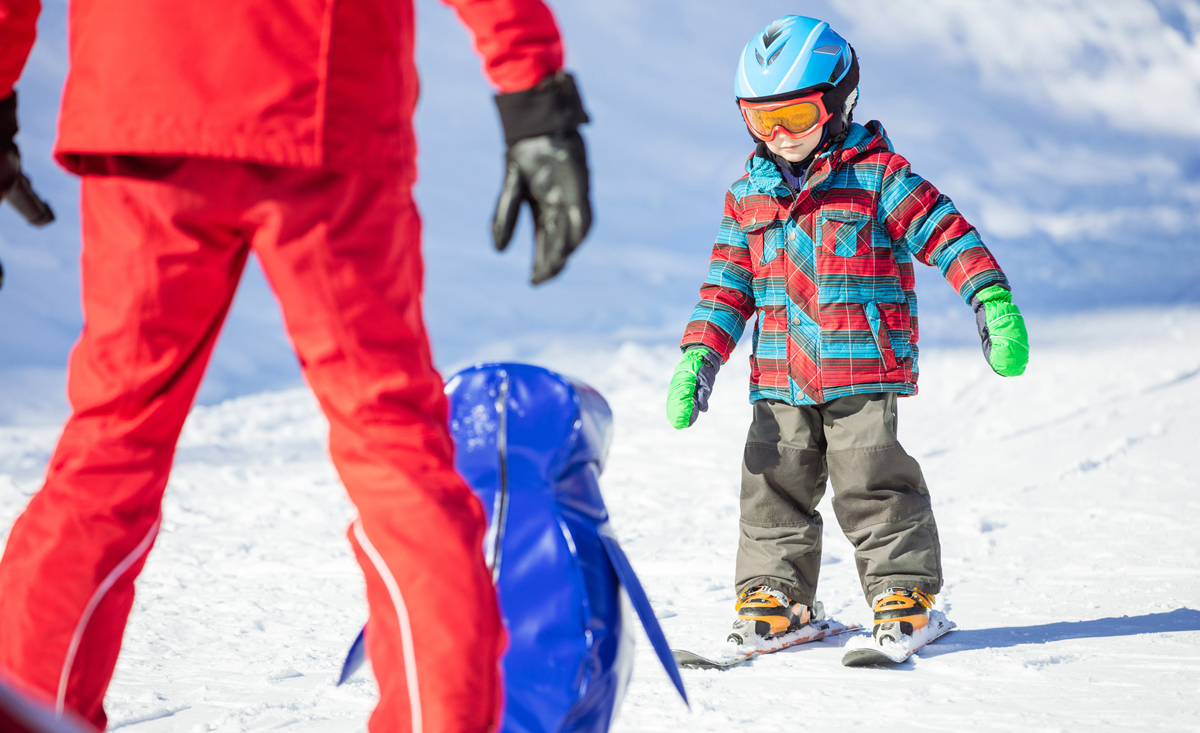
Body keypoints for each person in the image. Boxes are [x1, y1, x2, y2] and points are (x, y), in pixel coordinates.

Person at [0, 0, 591, 730]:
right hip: (318, 95)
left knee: (109, 445)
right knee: (393, 446)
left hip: (141, 98)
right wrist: (533, 92)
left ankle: (27, 709)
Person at [666, 15, 1028, 649]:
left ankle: (901, 592)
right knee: (770, 482)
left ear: (838, 102)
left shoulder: (878, 177)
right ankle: (774, 598)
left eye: (796, 117)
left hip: (863, 366)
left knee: (871, 477)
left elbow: (947, 235)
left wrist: (989, 295)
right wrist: (700, 355)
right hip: (778, 374)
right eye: (760, 121)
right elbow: (727, 285)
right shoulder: (747, 197)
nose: (779, 137)